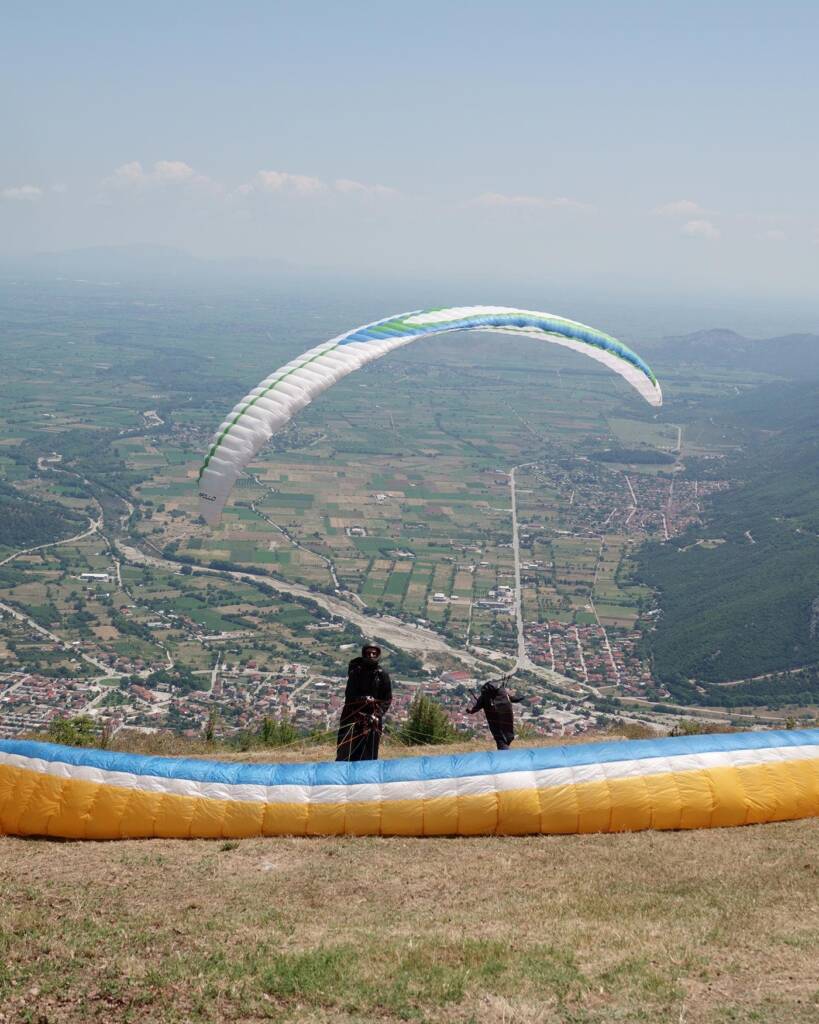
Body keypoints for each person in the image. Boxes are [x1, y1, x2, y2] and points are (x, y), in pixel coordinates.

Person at [335, 643, 392, 762]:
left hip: (373, 719)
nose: (371, 655)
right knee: (345, 751)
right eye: (368, 653)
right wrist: (362, 699)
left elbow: (387, 699)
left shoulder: (382, 675)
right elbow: (349, 695)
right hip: (352, 716)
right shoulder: (356, 672)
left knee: (369, 753)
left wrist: (377, 715)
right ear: (364, 654)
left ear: (378, 655)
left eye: (374, 653)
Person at [466, 679, 524, 750]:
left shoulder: (484, 696)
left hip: (494, 720)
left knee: (500, 738)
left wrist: (470, 711)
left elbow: (476, 708)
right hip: (506, 718)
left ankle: (504, 754)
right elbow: (513, 699)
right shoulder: (502, 692)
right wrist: (521, 698)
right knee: (507, 735)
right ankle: (505, 750)